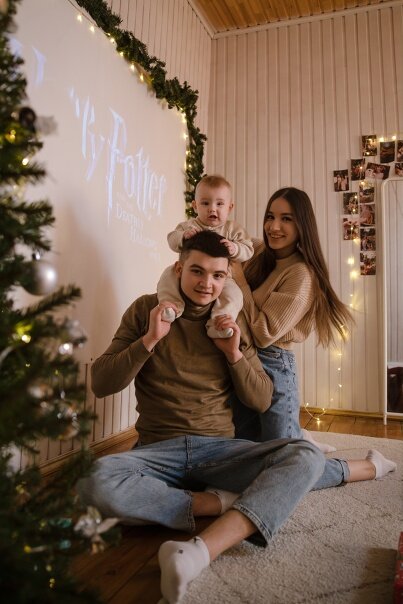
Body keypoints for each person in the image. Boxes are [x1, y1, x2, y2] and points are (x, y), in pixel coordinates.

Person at [77, 231, 396, 604]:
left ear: (227, 277)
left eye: (217, 275)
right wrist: (149, 339)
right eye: (197, 271)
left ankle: (202, 546)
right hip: (156, 450)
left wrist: (233, 354)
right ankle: (218, 502)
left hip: (220, 452)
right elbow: (101, 383)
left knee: (304, 454)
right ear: (178, 269)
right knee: (91, 481)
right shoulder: (145, 310)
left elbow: (261, 399)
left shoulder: (230, 319)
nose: (207, 284)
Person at [230, 187, 354, 452]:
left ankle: (368, 466)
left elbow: (263, 333)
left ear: (302, 225)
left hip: (274, 363)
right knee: (247, 448)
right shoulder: (259, 251)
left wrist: (240, 281)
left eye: (286, 219)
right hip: (244, 359)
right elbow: (227, 236)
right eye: (270, 217)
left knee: (282, 455)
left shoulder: (301, 274)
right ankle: (300, 436)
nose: (274, 227)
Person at [157, 174, 254, 338]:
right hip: (187, 274)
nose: (212, 209)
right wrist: (183, 237)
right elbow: (171, 240)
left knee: (235, 295)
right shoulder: (189, 226)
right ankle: (171, 306)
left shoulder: (233, 230)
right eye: (205, 203)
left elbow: (248, 249)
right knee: (167, 275)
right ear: (195, 206)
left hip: (223, 278)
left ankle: (219, 322)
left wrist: (235, 248)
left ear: (230, 207)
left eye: (219, 204)